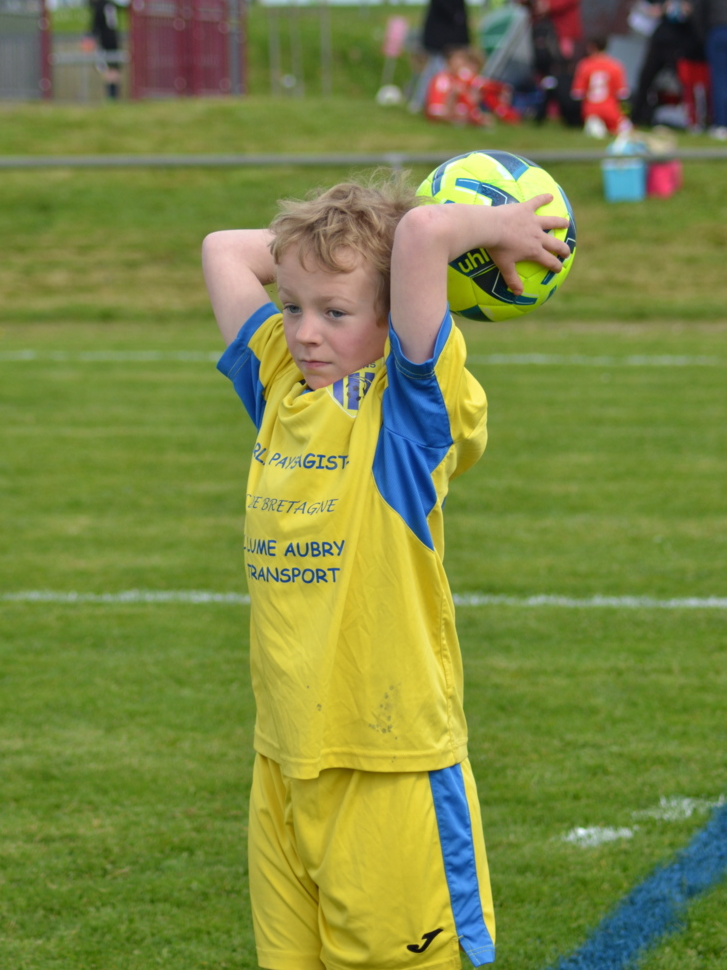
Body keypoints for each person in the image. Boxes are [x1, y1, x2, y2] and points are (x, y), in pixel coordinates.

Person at [202, 177, 569, 970]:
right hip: (286, 759)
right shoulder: (281, 386)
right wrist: (323, 255)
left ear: (394, 311)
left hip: (391, 763)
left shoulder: (408, 414)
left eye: (336, 313)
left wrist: (497, 226)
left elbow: (425, 233)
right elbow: (222, 250)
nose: (305, 333)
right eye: (292, 307)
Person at [630, 0, 699, 128]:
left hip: (679, 37)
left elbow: (690, 4)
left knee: (682, 80)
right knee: (645, 77)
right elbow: (650, 0)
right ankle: (637, 118)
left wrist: (672, 6)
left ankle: (692, 119)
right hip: (660, 35)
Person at [517, 0, 583, 124]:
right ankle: (545, 107)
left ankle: (562, 106)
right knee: (542, 66)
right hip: (540, 25)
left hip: (561, 27)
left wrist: (550, 4)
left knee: (562, 65)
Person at [408, 0, 469, 112]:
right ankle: (425, 101)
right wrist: (455, 16)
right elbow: (442, 1)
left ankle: (433, 101)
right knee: (436, 68)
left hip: (444, 32)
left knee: (437, 68)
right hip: (442, 33)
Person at [693, 0, 727, 139]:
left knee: (720, 81)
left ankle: (721, 124)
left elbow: (699, 12)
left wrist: (704, 36)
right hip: (717, 31)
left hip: (717, 32)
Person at [571, 36, 632, 137]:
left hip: (592, 111)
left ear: (591, 47)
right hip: (611, 111)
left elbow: (577, 93)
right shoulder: (615, 65)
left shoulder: (585, 65)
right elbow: (622, 94)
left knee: (596, 133)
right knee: (626, 130)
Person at [86, 0, 121, 99]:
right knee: (114, 66)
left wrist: (90, 38)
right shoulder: (109, 3)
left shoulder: (99, 5)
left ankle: (111, 95)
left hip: (104, 39)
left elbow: (96, 24)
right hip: (114, 37)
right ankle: (113, 94)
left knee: (107, 66)